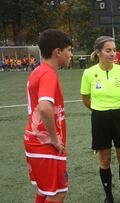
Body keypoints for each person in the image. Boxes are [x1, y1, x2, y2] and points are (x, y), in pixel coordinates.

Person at [80, 36, 120, 203]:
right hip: (99, 118)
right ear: (98, 52)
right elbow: (86, 99)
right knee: (104, 159)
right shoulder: (89, 73)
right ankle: (109, 196)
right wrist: (100, 110)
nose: (112, 53)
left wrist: (118, 107)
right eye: (108, 50)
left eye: (114, 50)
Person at [24, 29, 72, 203]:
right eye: (69, 50)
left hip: (34, 141)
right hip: (44, 145)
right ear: (58, 52)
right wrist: (54, 139)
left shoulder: (38, 71)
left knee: (44, 190)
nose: (70, 54)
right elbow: (44, 108)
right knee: (58, 193)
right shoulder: (48, 74)